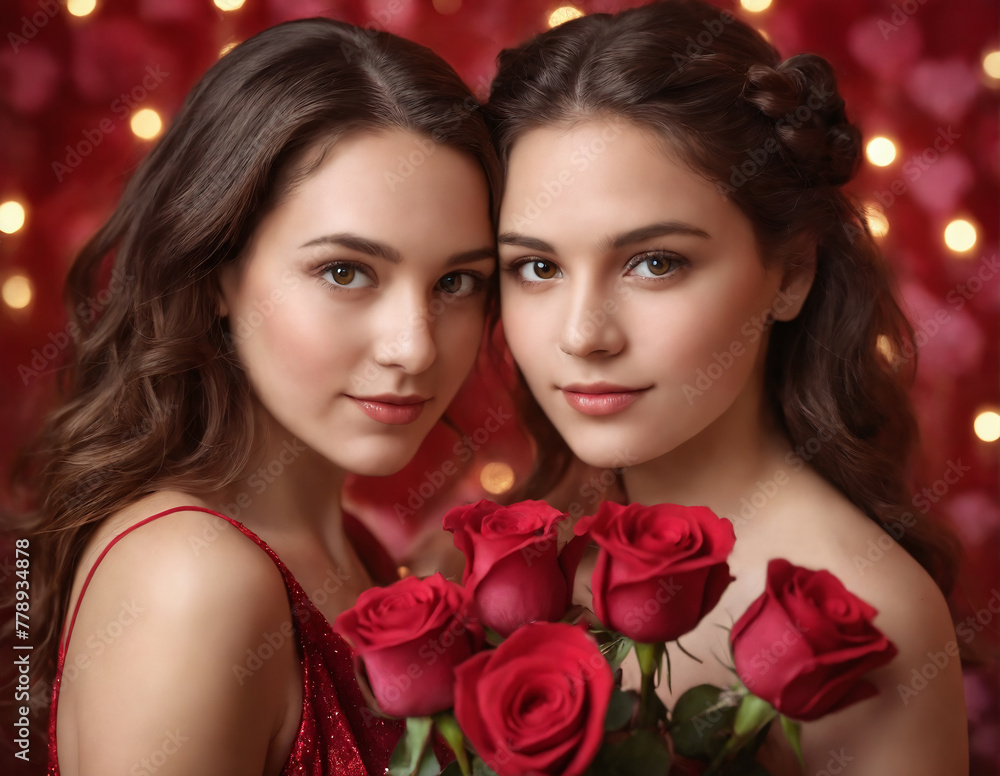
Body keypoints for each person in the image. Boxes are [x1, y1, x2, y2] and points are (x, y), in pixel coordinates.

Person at [7, 16, 500, 776]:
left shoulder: (349, 545)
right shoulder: (195, 579)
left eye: (455, 282)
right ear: (215, 276)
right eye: (346, 271)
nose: (416, 346)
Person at [485, 1, 968, 773]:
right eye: (537, 267)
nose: (583, 335)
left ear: (793, 272)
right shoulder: (514, 553)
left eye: (656, 262)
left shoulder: (866, 620)